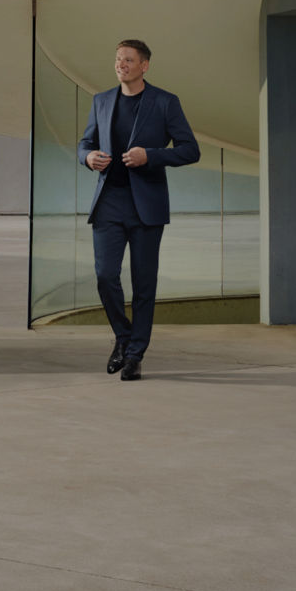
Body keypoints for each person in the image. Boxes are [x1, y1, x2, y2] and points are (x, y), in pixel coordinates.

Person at [77, 40, 199, 380]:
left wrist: (152, 155)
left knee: (144, 285)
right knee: (105, 276)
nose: (121, 65)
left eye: (128, 60)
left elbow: (191, 149)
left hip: (146, 206)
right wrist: (87, 157)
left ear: (144, 65)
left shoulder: (165, 102)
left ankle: (134, 356)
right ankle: (123, 337)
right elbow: (85, 143)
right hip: (108, 203)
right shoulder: (101, 101)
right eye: (118, 59)